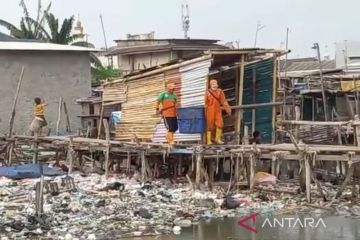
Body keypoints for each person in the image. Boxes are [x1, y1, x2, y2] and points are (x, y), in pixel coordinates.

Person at [205, 79, 231, 144]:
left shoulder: (220, 91)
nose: (214, 85)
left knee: (220, 123)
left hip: (217, 110)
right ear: (210, 85)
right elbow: (205, 103)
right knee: (210, 125)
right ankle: (209, 140)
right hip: (210, 110)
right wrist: (205, 112)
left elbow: (224, 101)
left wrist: (227, 108)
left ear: (217, 85)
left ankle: (217, 139)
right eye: (212, 84)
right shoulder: (207, 92)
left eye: (215, 84)